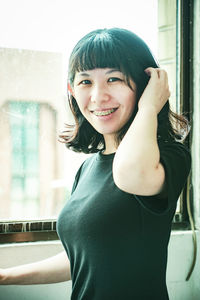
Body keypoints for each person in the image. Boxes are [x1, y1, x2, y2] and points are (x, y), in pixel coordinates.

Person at [0, 28, 191, 300]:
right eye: (85, 82)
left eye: (113, 78)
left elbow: (130, 174)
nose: (98, 96)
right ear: (72, 91)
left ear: (146, 86)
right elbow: (84, 256)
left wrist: (149, 107)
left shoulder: (169, 156)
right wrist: (5, 276)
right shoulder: (87, 168)